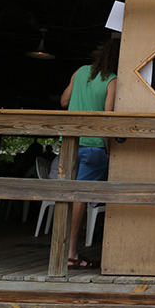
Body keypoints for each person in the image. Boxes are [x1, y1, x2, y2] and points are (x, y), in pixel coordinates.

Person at [59, 38, 120, 269]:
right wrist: (108, 148)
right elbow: (107, 118)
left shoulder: (81, 71)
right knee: (80, 198)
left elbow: (64, 101)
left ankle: (67, 250)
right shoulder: (112, 80)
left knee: (69, 194)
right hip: (94, 144)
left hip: (70, 143)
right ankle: (71, 254)